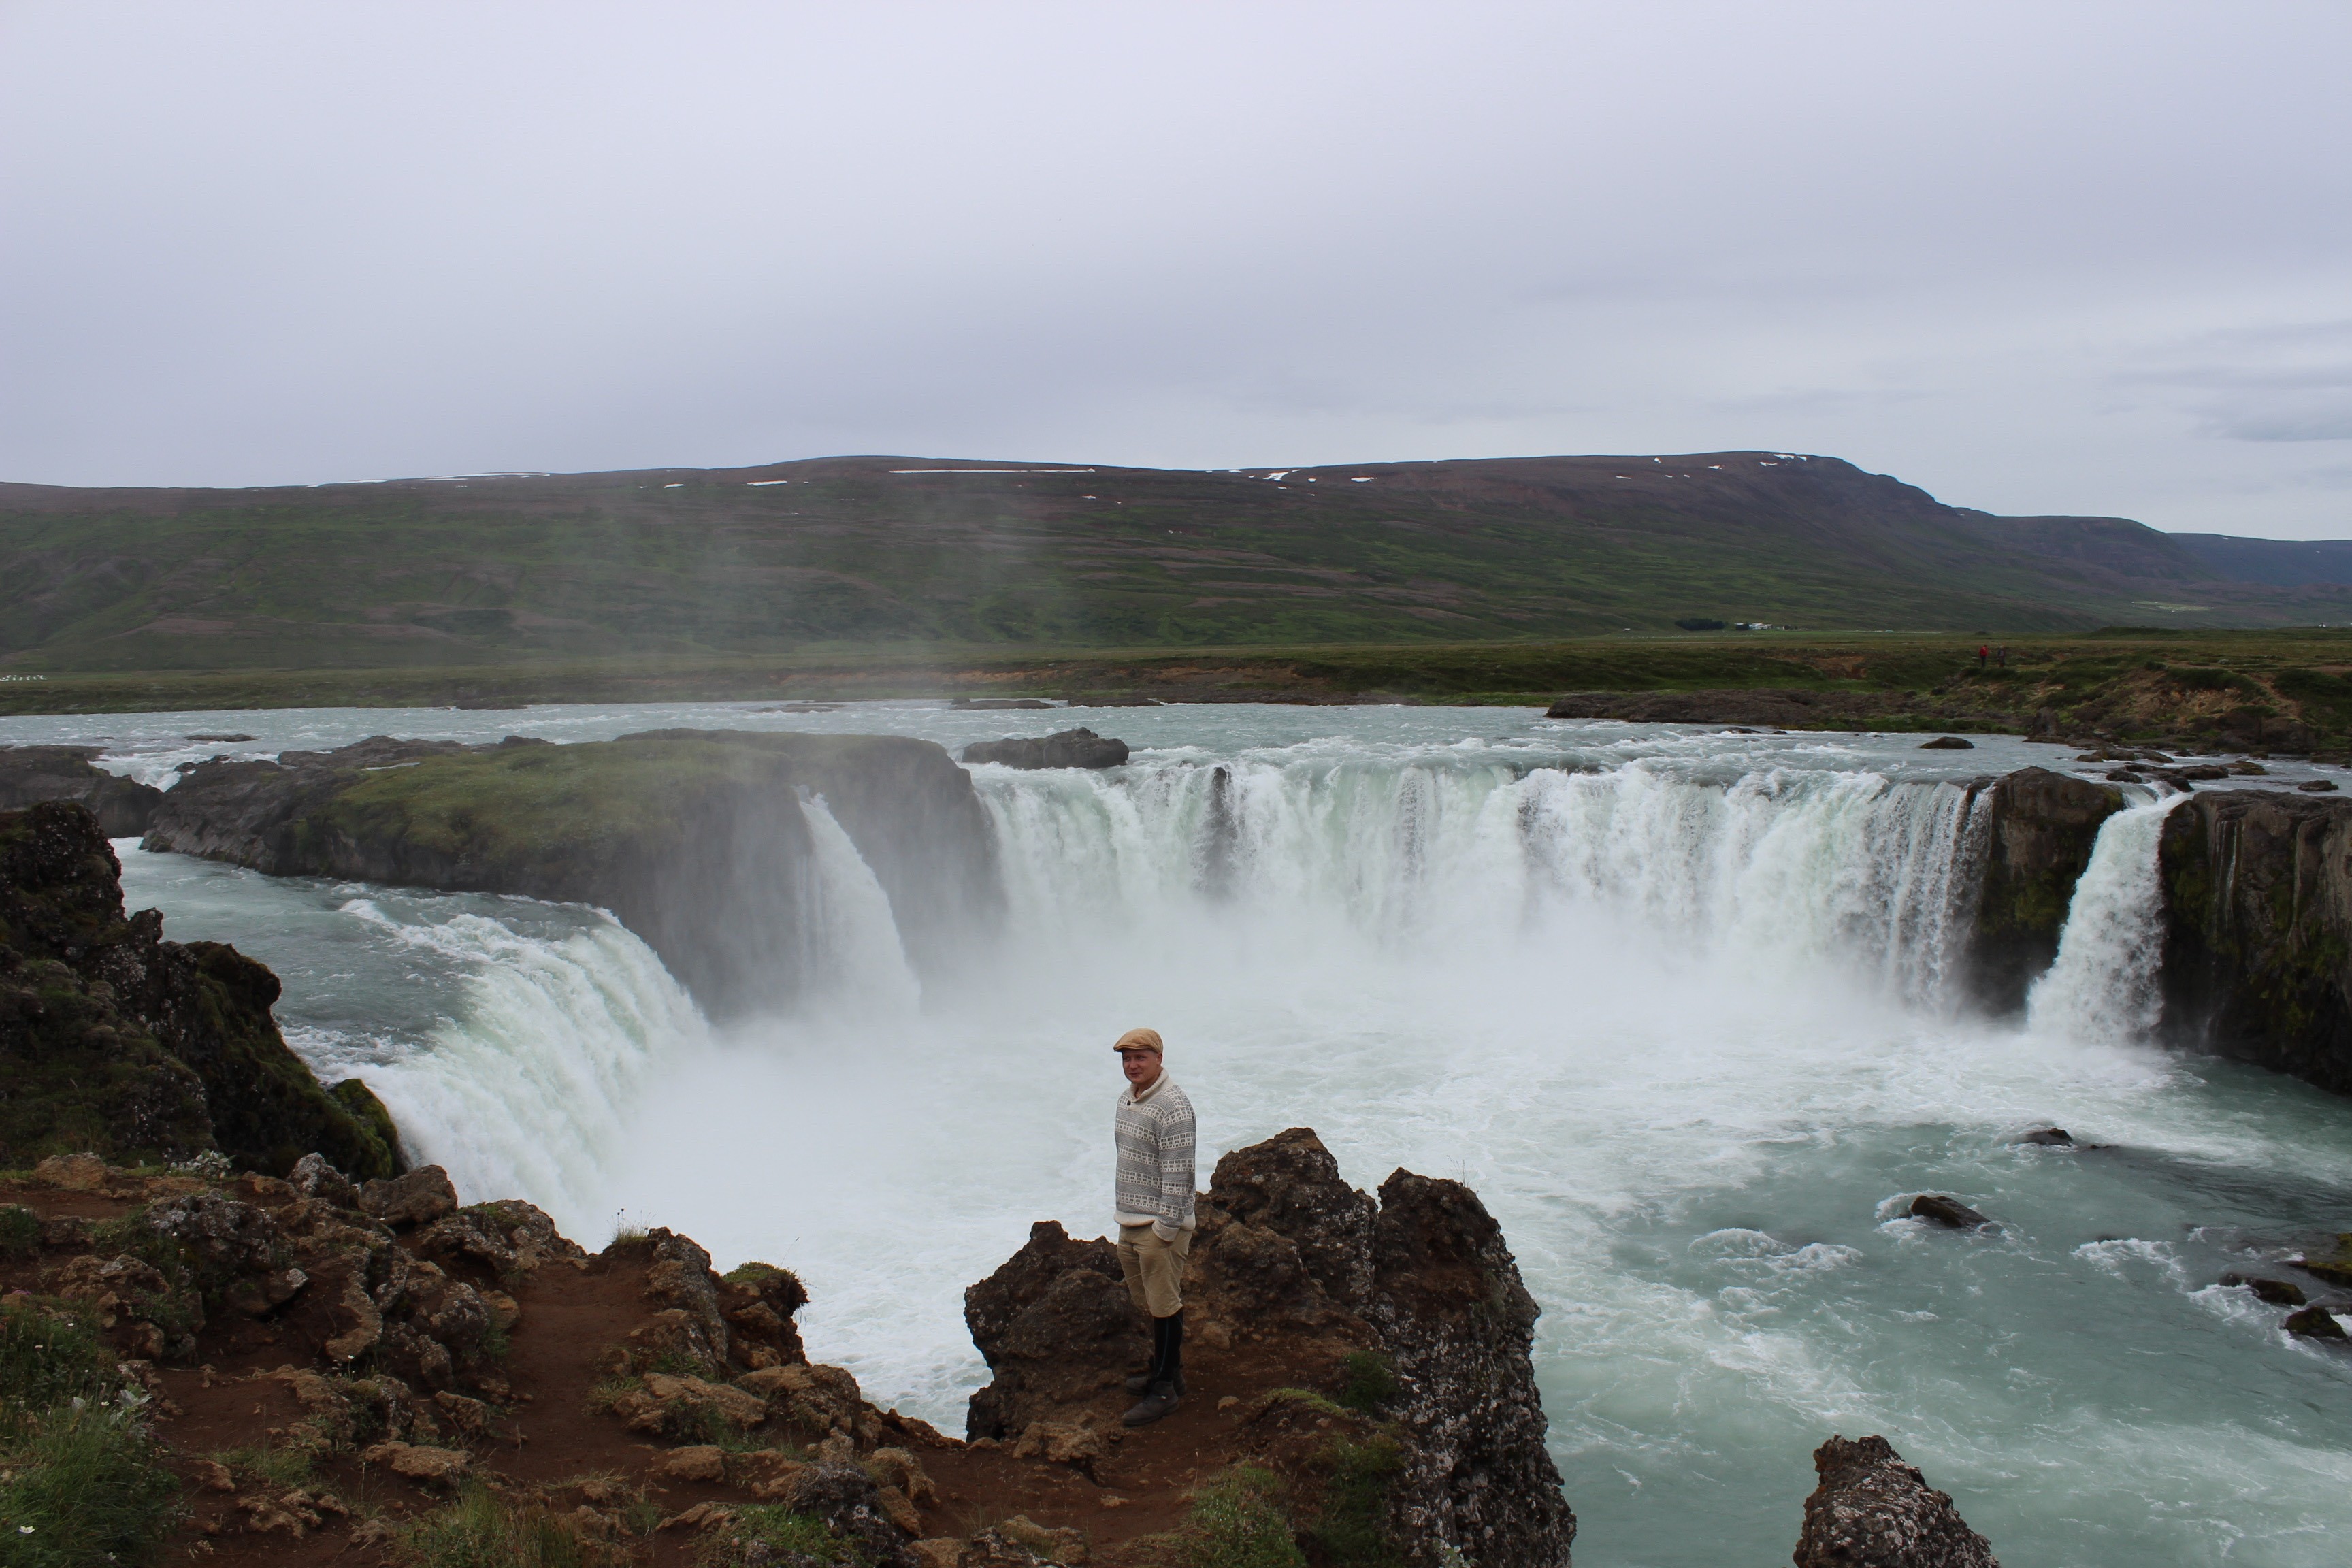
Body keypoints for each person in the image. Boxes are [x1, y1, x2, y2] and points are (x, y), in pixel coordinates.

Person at [1111, 1026, 1194, 1427]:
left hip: (1160, 1225)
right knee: (1151, 1303)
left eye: (1140, 1058)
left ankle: (1162, 1390)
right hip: (1131, 1220)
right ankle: (1170, 1372)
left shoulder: (1173, 1107)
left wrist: (1165, 1229)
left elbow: (1180, 1174)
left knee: (1164, 1306)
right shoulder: (1128, 1100)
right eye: (1127, 1059)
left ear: (1159, 1059)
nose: (1133, 1065)